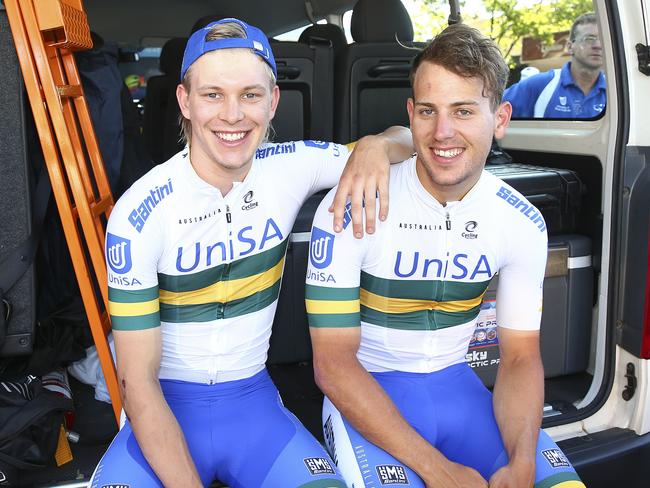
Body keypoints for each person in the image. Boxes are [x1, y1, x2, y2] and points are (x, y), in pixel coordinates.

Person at [91, 18, 413, 488]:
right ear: (184, 101)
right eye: (213, 95)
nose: (233, 115)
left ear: (273, 100)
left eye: (250, 95)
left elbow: (411, 140)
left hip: (255, 409)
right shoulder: (140, 212)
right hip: (162, 409)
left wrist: (374, 145)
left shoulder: (291, 166)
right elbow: (136, 383)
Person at [307, 23, 586, 488]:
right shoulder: (352, 202)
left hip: (462, 392)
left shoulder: (521, 221)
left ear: (500, 119)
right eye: (429, 112)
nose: (442, 132)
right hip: (366, 394)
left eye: (463, 111)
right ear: (410, 113)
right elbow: (333, 366)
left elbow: (519, 358)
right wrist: (439, 471)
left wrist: (521, 463)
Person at [504, 12, 605, 119]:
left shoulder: (617, 92)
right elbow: (492, 110)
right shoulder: (541, 84)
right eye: (589, 39)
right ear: (570, 47)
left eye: (603, 40)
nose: (598, 46)